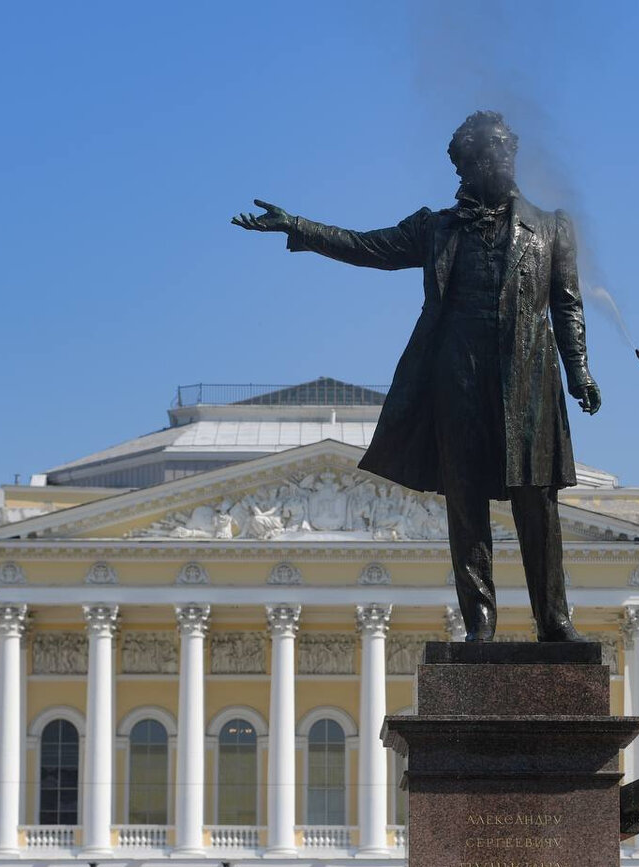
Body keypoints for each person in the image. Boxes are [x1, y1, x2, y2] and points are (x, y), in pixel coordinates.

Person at [232, 111, 600, 642]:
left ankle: (554, 620)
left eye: (507, 150)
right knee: (465, 503)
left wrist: (579, 371)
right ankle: (480, 624)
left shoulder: (553, 227)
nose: (504, 160)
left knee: (537, 502)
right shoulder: (436, 229)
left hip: (528, 382)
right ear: (467, 167)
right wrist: (299, 226)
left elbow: (567, 304)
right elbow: (367, 247)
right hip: (456, 380)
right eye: (491, 153)